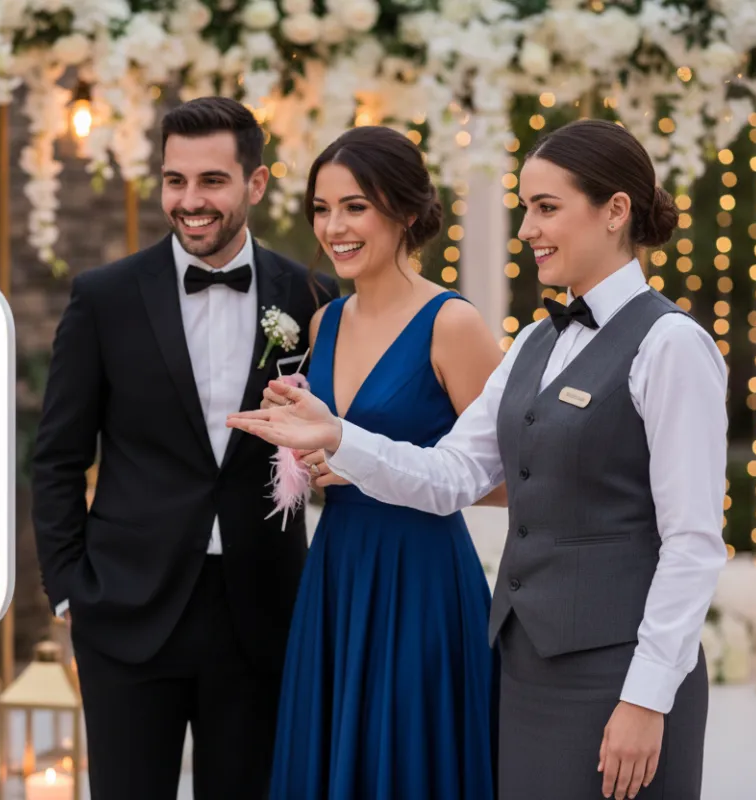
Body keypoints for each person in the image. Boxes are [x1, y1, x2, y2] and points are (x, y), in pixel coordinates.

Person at [228, 118, 728, 800]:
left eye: (546, 208)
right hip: (524, 668)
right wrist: (336, 436)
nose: (527, 230)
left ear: (616, 212)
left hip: (620, 675)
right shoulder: (532, 346)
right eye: (526, 208)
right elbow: (451, 475)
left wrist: (647, 697)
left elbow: (693, 543)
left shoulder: (673, 345)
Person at [31, 96, 339, 800]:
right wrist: (69, 592)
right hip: (127, 611)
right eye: (176, 181)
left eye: (212, 181)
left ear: (255, 185)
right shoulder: (103, 298)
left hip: (261, 613)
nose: (190, 201)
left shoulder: (310, 293)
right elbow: (55, 458)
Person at [261, 125, 504, 799]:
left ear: (403, 211)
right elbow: (337, 446)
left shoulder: (453, 324)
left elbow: (513, 480)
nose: (333, 227)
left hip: (420, 577)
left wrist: (376, 465)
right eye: (321, 208)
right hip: (338, 567)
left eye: (354, 206)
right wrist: (305, 453)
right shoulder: (324, 324)